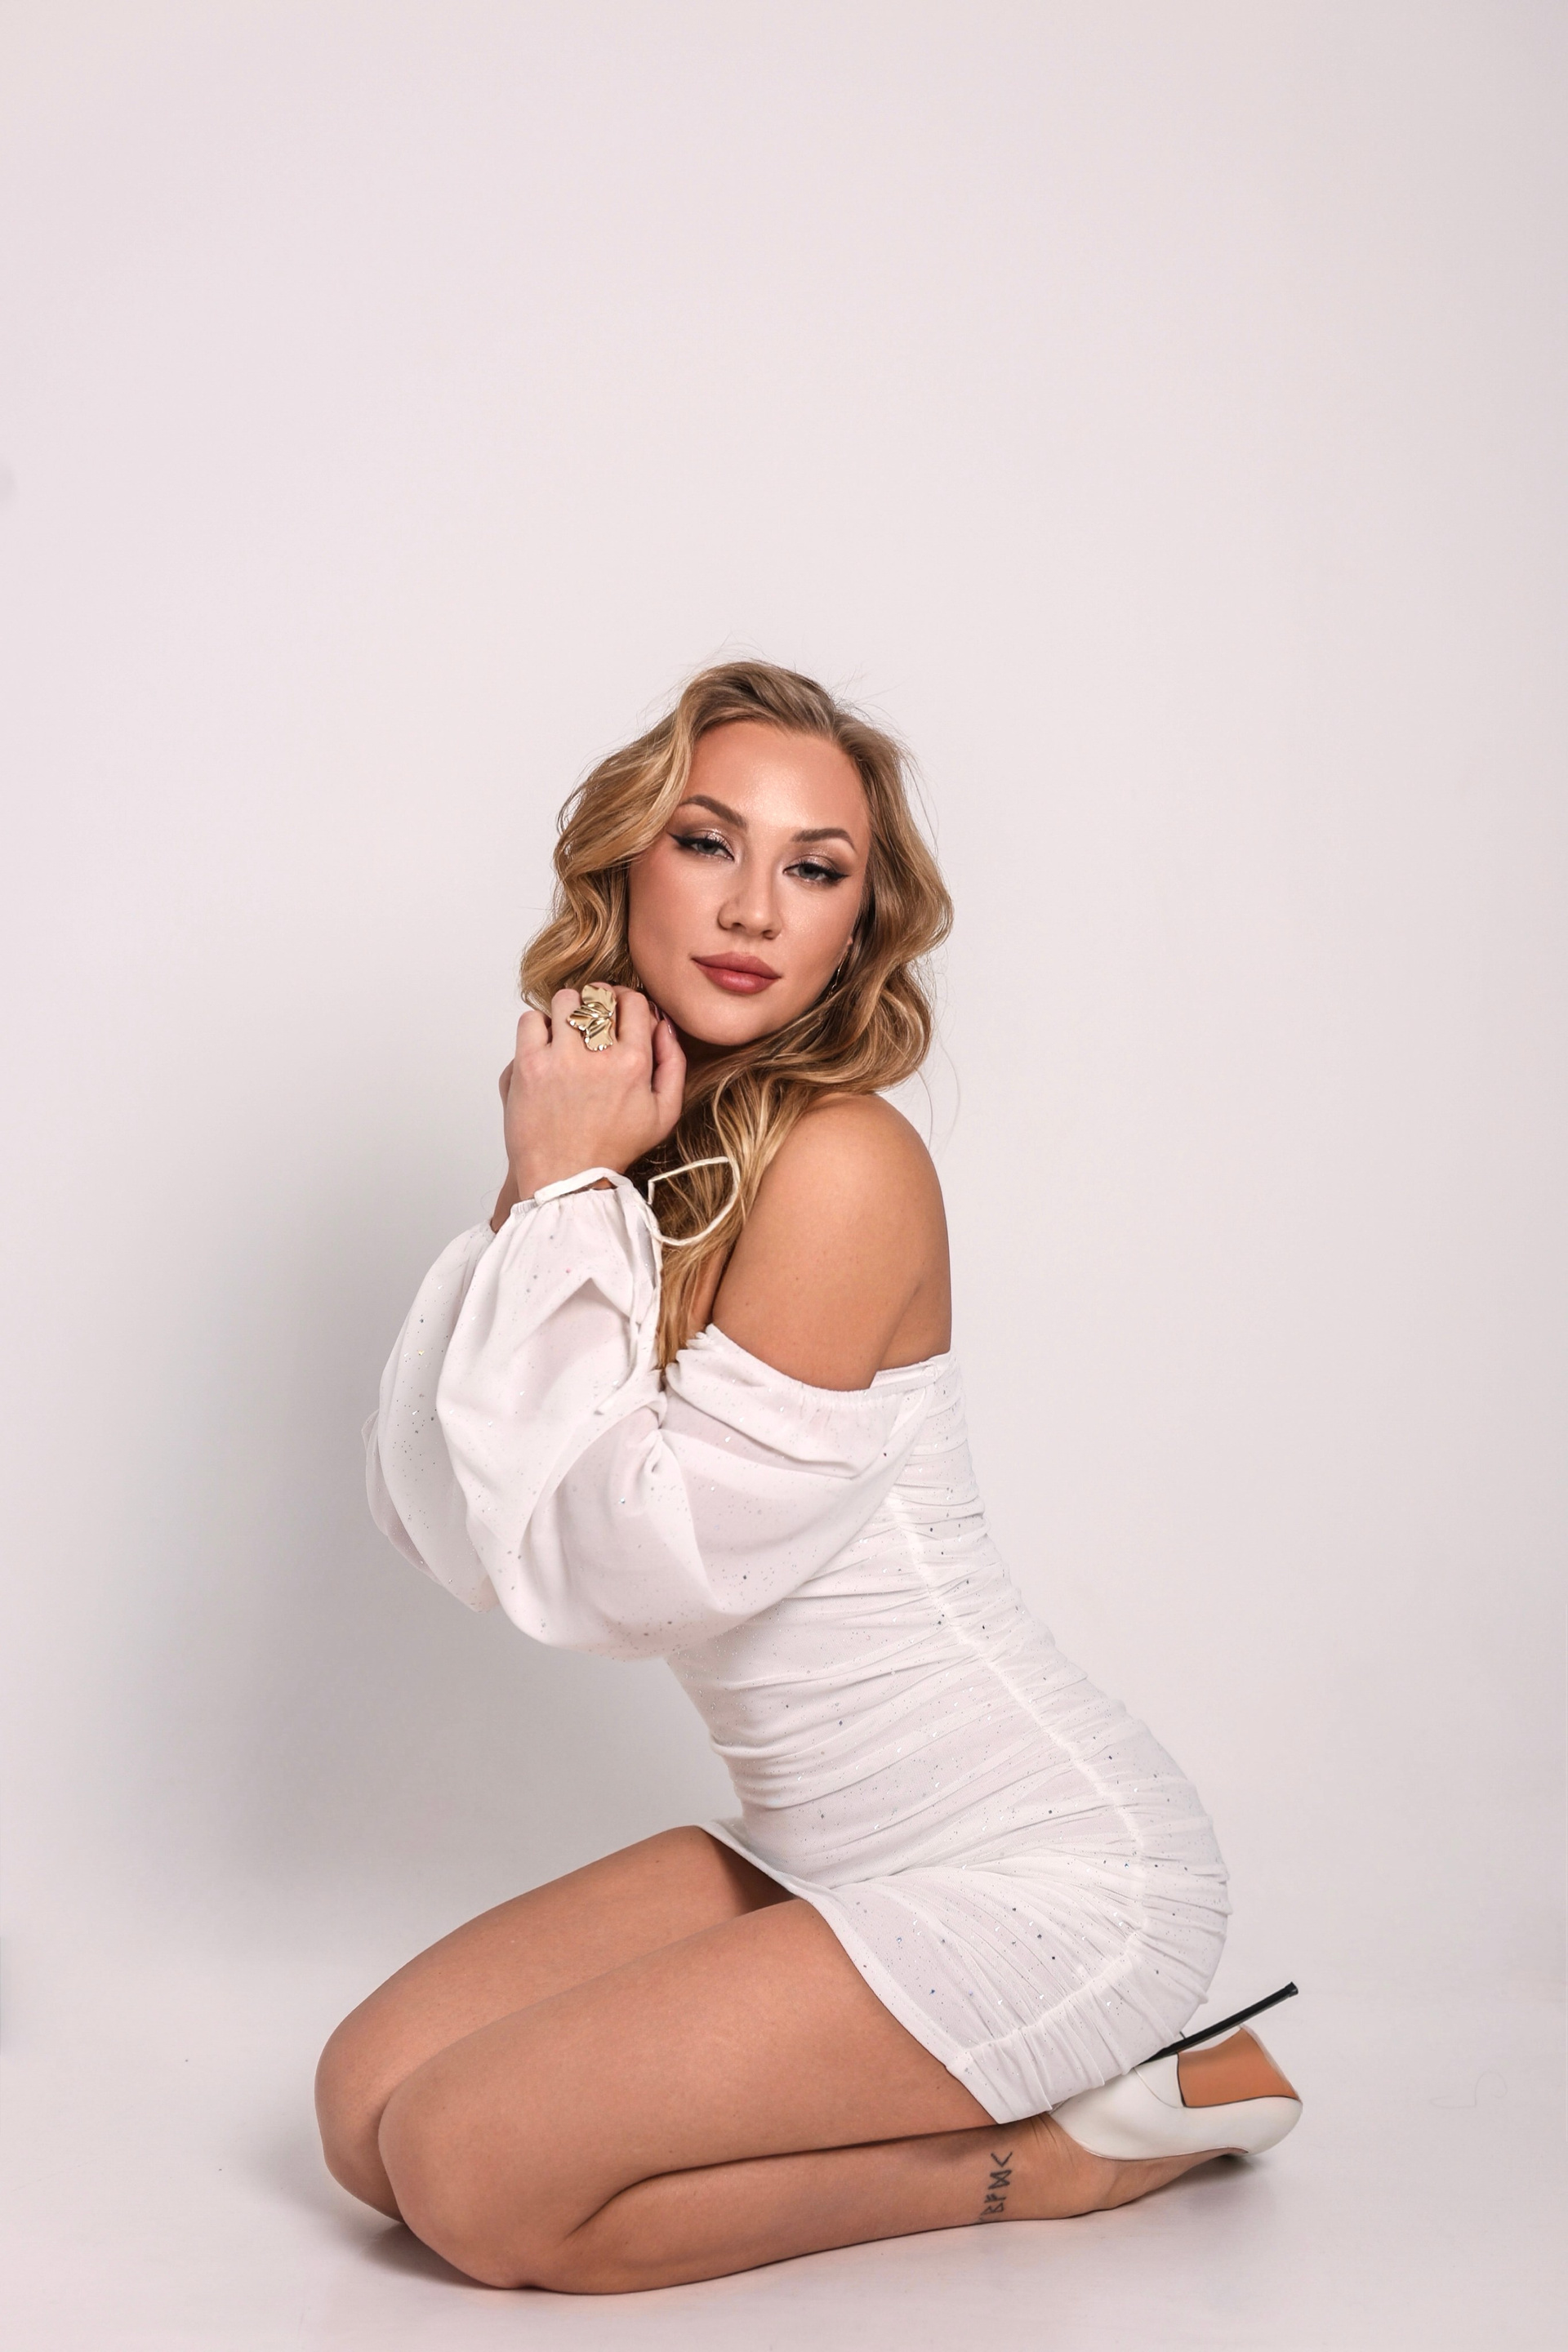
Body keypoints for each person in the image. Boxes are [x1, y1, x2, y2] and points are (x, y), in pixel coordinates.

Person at [315, 661, 1301, 2294]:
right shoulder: (626, 1155)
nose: (754, 907)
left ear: (859, 926)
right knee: (366, 2116)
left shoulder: (845, 1164)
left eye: (816, 868)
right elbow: (446, 1517)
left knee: (472, 2179)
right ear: (627, 864)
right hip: (822, 1849)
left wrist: (560, 1197)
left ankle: (1069, 2158)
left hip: (1052, 1877)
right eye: (709, 841)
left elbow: (625, 1581)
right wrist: (548, 1172)